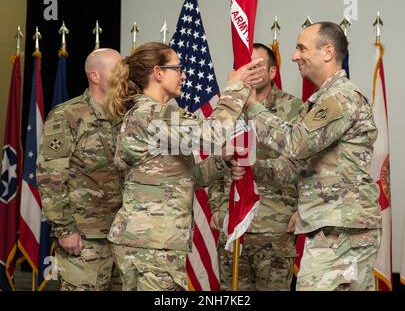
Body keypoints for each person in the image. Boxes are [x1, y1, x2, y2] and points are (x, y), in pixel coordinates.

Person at [231, 22, 382, 291]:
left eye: (301, 48)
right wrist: (251, 168)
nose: (294, 56)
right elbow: (293, 167)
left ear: (327, 51)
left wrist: (252, 107)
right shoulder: (320, 101)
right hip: (336, 228)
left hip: (341, 231)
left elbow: (296, 143)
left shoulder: (340, 98)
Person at [105, 42, 263, 291]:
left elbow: (189, 176)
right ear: (158, 73)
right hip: (151, 243)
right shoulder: (152, 115)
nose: (184, 74)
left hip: (155, 240)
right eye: (178, 68)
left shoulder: (156, 115)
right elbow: (211, 136)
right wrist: (237, 86)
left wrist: (222, 161)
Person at [209, 43, 302, 291]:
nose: (249, 71)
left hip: (274, 227)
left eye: (257, 66)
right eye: (244, 66)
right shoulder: (228, 108)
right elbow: (219, 156)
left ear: (272, 72)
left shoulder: (294, 108)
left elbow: (304, 161)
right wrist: (217, 204)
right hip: (233, 225)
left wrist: (302, 208)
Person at [37, 48, 123, 291]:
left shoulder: (127, 116)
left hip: (122, 235)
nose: (124, 75)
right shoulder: (68, 115)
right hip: (85, 237)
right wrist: (65, 230)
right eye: (117, 70)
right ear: (95, 76)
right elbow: (51, 178)